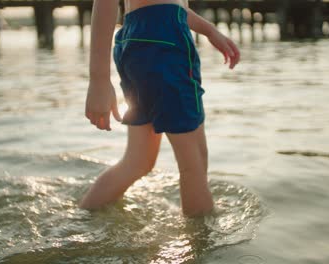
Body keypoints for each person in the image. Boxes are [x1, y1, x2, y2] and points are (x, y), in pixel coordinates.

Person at [79, 0, 240, 217]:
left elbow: (176, 6)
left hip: (137, 40)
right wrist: (98, 79)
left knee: (138, 161)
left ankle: (84, 216)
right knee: (194, 163)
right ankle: (202, 244)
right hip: (165, 43)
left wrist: (210, 31)